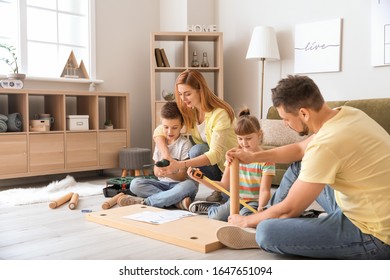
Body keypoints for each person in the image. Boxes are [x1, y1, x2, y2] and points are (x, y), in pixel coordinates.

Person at [218, 75, 390, 259]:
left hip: (375, 235)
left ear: (303, 113)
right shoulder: (348, 113)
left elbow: (289, 209)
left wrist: (245, 221)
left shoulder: (326, 145)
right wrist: (253, 156)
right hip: (365, 206)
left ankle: (272, 227)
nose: (285, 124)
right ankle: (276, 221)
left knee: (266, 231)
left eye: (286, 118)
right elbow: (300, 148)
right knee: (300, 165)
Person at [153, 69, 238, 203]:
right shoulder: (190, 112)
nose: (183, 99)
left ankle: (220, 188)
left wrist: (180, 164)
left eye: (187, 94)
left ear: (200, 91)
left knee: (197, 151)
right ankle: (214, 188)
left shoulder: (220, 114)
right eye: (180, 94)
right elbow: (159, 130)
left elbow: (215, 154)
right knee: (197, 150)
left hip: (232, 166)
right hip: (216, 167)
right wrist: (166, 155)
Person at [187, 108, 275, 221]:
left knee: (246, 219)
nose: (244, 143)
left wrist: (261, 207)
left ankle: (227, 209)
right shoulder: (233, 156)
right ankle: (212, 208)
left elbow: (265, 190)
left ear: (259, 135)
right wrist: (201, 179)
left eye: (248, 138)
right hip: (235, 199)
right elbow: (223, 185)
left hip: (254, 202)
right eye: (240, 139)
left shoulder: (266, 159)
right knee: (216, 216)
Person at [117, 101, 198, 210]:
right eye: (166, 127)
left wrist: (168, 173)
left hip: (179, 185)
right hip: (163, 185)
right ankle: (176, 201)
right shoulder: (161, 143)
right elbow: (155, 171)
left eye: (174, 127)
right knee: (135, 184)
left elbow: (182, 176)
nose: (169, 131)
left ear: (181, 126)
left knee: (190, 185)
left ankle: (146, 202)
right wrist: (159, 172)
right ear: (161, 126)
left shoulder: (185, 144)